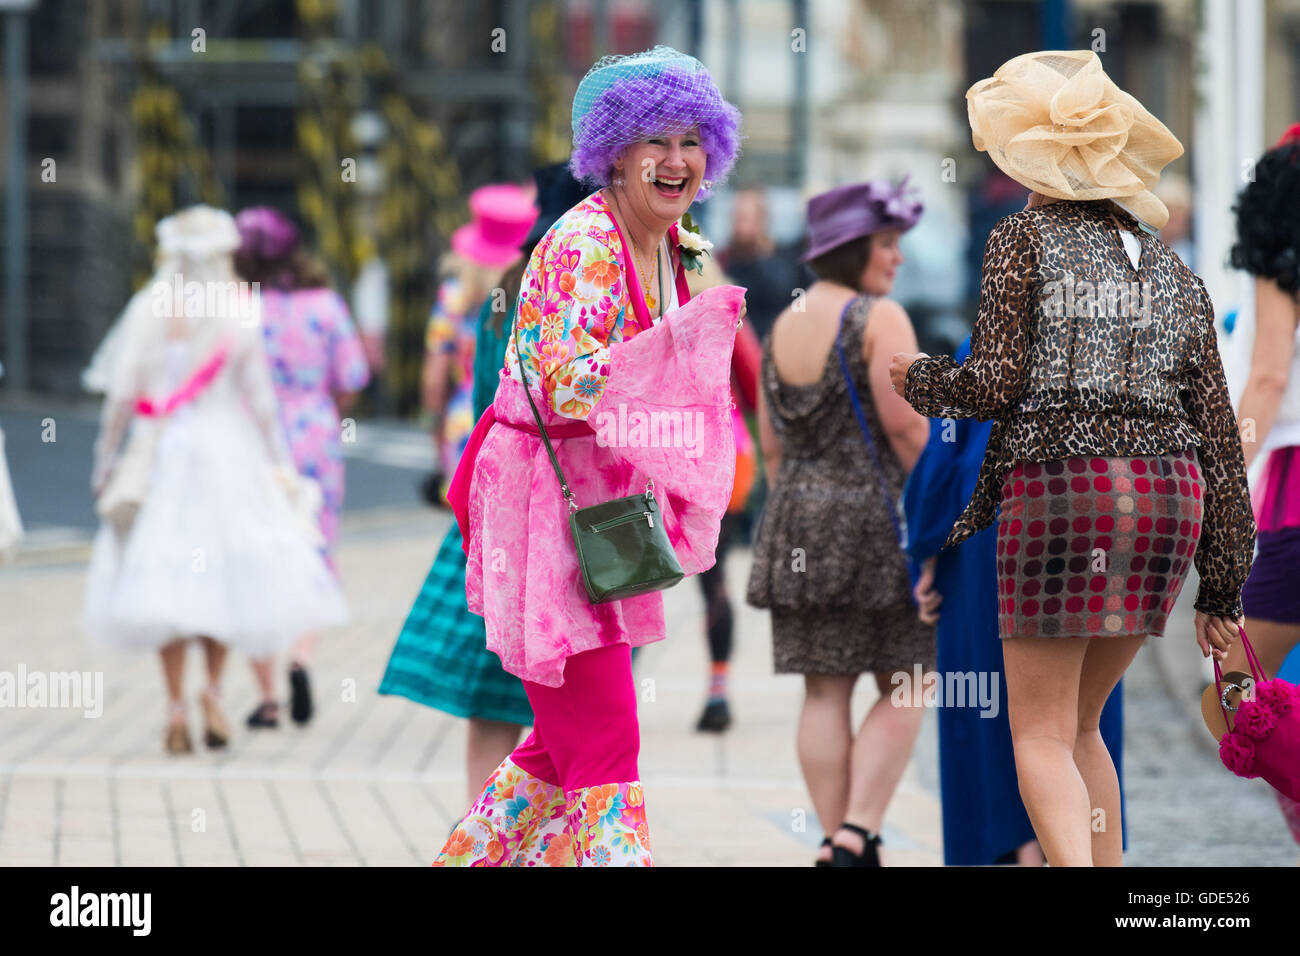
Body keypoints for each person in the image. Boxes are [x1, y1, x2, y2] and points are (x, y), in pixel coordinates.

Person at [890, 50, 1255, 866]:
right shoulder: (1173, 270)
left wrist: (916, 377)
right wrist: (1224, 584)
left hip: (1062, 493)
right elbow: (1220, 438)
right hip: (1167, 497)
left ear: (1033, 162)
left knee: (1043, 735)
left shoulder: (1023, 239)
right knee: (1086, 726)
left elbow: (991, 385)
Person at [432, 45, 743, 867]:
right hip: (542, 506)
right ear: (614, 151)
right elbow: (566, 382)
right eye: (656, 141)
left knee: (551, 754)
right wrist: (680, 352)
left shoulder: (673, 244)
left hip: (593, 507)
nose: (677, 160)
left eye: (691, 140)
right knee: (606, 743)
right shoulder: (586, 242)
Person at [84, 206, 347, 754]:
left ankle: (176, 706)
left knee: (166, 584)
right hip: (228, 452)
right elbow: (262, 402)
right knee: (222, 577)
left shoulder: (151, 308)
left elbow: (120, 396)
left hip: (163, 451)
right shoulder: (237, 310)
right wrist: (282, 466)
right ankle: (212, 693)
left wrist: (105, 462)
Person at [379, 165, 585, 807]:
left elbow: (452, 378)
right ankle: (529, 835)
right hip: (558, 507)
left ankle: (479, 826)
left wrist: (440, 439)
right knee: (561, 695)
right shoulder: (567, 291)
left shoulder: (501, 286)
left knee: (493, 692)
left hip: (490, 491)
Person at [745, 179, 933, 867]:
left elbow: (771, 446)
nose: (897, 258)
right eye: (886, 244)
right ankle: (859, 830)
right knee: (909, 678)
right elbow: (908, 431)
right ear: (853, 250)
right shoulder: (879, 318)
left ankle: (833, 840)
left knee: (823, 688)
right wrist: (948, 514)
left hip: (796, 519)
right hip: (876, 525)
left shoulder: (782, 327)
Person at [904, 336, 1126, 866]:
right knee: (1081, 717)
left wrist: (927, 549)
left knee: (995, 704)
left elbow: (944, 454)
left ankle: (1021, 848)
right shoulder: (1112, 340)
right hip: (1101, 527)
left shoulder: (983, 344)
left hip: (993, 536)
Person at [233, 207, 371, 728]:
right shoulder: (325, 304)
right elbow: (353, 372)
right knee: (314, 546)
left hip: (254, 438)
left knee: (255, 556)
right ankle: (301, 656)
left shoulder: (241, 308)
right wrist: (326, 408)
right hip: (314, 433)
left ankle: (267, 697)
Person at [1224, 121, 1300, 847]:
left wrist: (1225, 472)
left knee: (1232, 685)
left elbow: (1269, 376)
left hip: (1294, 494)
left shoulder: (1284, 262)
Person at [420, 187, 534, 506]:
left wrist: (435, 432)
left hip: (465, 422)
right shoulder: (532, 295)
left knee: (467, 530)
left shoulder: (454, 299)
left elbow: (434, 378)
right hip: (519, 424)